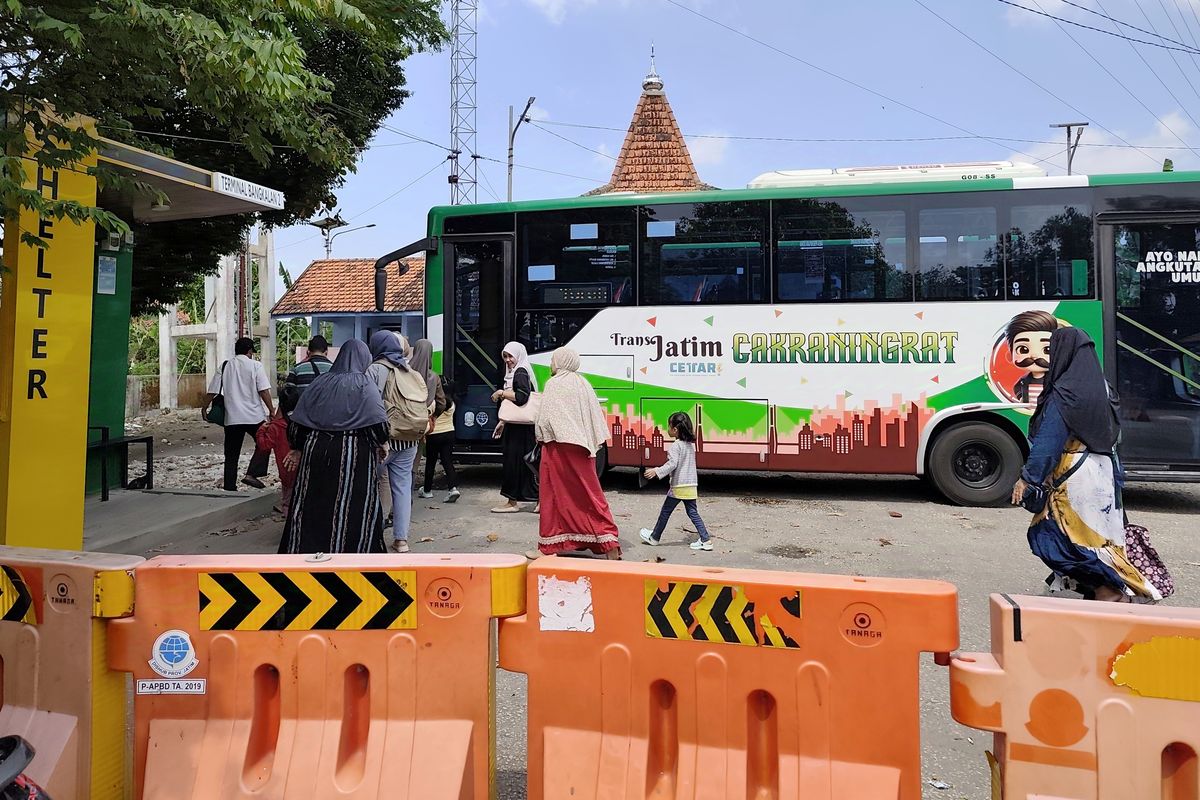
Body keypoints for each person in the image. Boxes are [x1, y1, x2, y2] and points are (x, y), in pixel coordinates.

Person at [1011, 327, 1162, 603]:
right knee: (1099, 538)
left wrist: (1028, 478)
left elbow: (1048, 441)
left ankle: (1109, 591)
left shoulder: (1065, 392)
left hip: (1075, 479)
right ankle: (1106, 590)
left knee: (1050, 535)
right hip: (1104, 475)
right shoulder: (1103, 388)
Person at [278, 340, 388, 554]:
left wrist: (297, 447)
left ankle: (305, 555)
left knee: (313, 505)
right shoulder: (365, 385)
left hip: (315, 451)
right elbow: (380, 425)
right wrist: (381, 442)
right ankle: (352, 555)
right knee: (354, 508)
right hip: (353, 456)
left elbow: (299, 420)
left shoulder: (320, 383)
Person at [533, 348, 621, 558]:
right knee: (589, 494)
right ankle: (608, 541)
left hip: (558, 447)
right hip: (583, 447)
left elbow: (544, 419)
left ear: (561, 361)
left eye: (553, 360)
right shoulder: (583, 383)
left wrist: (539, 435)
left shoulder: (554, 384)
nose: (550, 364)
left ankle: (550, 546)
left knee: (554, 495)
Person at [366, 330, 426, 553]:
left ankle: (374, 535)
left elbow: (370, 405)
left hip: (384, 441)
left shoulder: (375, 369)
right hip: (409, 440)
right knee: (402, 489)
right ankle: (401, 540)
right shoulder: (410, 370)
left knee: (375, 487)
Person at [202, 337, 274, 492]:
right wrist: (272, 410)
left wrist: (204, 407)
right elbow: (263, 390)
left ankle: (229, 487)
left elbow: (213, 390)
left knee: (231, 454)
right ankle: (252, 473)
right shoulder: (256, 366)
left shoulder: (226, 365)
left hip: (233, 418)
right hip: (254, 416)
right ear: (249, 351)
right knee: (265, 444)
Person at [639, 411, 713, 551]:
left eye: (669, 425)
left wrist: (656, 471)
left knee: (665, 512)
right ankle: (705, 539)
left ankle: (654, 537)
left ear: (675, 430)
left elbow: (672, 464)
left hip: (679, 486)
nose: (667, 428)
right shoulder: (691, 445)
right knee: (692, 512)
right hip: (691, 484)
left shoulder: (676, 446)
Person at [491, 341, 539, 513]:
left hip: (522, 429)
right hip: (519, 427)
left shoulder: (520, 372)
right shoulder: (517, 371)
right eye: (505, 356)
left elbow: (521, 397)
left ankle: (514, 502)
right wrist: (503, 422)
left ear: (518, 355)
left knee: (519, 463)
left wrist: (501, 393)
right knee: (525, 463)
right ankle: (527, 500)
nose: (507, 360)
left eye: (510, 356)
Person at [256, 384, 300, 516]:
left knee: (287, 500)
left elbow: (264, 446)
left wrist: (262, 430)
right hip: (303, 468)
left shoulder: (275, 427)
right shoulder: (304, 424)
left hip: (286, 469)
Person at [419, 373, 460, 503]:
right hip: (449, 433)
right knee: (447, 461)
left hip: (434, 435)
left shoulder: (435, 402)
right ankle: (453, 488)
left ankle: (427, 490)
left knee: (431, 462)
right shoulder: (453, 402)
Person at [1005, 310, 1058, 404]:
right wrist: (1021, 396)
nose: (1034, 356)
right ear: (1010, 354)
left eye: (1047, 349)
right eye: (1023, 349)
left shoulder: (1054, 379)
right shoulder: (1024, 380)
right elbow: (1017, 388)